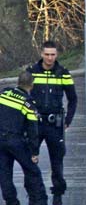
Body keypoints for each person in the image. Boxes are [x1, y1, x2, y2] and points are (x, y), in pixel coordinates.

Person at [26, 42, 77, 205]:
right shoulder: (31, 72)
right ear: (41, 54)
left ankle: (58, 194)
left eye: (53, 54)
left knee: (57, 160)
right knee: (29, 158)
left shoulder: (63, 73)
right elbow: (23, 96)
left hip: (55, 123)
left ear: (57, 55)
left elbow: (73, 99)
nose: (50, 58)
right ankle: (33, 192)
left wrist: (68, 120)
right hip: (36, 122)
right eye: (47, 54)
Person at [0, 70, 48, 205]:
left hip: (0, 141)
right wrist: (34, 152)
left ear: (18, 82)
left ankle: (11, 202)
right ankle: (39, 201)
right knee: (32, 172)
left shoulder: (4, 93)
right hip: (17, 142)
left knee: (4, 175)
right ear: (31, 85)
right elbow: (33, 130)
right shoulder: (28, 103)